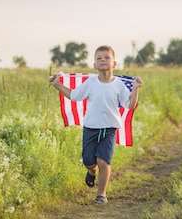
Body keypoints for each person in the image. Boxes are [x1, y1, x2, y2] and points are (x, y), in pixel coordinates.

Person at [49, 45, 144, 204]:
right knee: (89, 161)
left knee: (103, 161)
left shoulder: (119, 84)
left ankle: (101, 194)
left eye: (107, 57)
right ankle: (92, 173)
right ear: (94, 65)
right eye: (99, 58)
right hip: (90, 128)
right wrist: (57, 84)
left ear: (114, 64)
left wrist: (135, 89)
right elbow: (73, 96)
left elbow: (130, 105)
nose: (103, 60)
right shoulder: (90, 82)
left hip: (110, 129)